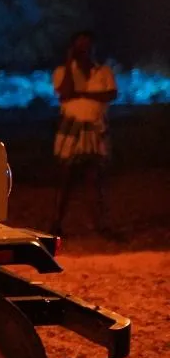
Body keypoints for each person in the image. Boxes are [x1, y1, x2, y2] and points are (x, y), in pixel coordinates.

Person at [50, 30, 117, 237]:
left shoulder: (103, 71)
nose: (85, 49)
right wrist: (70, 62)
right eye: (80, 45)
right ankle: (57, 225)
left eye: (88, 45)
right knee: (66, 179)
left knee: (95, 179)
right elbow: (65, 92)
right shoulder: (63, 71)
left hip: (95, 129)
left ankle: (100, 226)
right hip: (72, 129)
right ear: (73, 48)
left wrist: (81, 94)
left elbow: (111, 94)